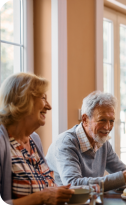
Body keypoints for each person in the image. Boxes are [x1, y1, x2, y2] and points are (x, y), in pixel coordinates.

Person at [46, 91, 126, 192]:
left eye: (111, 121)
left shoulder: (102, 142)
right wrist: (123, 177)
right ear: (85, 119)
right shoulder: (66, 143)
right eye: (102, 120)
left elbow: (121, 171)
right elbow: (73, 184)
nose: (107, 127)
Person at [0, 73, 75, 205]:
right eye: (43, 98)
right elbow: (41, 196)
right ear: (23, 100)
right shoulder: (2, 142)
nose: (49, 106)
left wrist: (57, 192)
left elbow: (44, 188)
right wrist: (41, 198)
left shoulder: (34, 139)